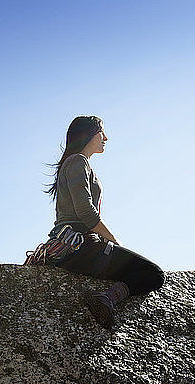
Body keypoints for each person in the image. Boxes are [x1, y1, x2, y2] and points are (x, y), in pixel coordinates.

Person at [25, 115, 165, 329]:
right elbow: (86, 212)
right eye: (102, 132)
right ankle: (106, 298)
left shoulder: (76, 163)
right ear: (88, 134)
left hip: (74, 248)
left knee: (143, 270)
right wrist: (114, 241)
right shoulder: (77, 161)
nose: (106, 138)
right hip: (82, 247)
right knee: (153, 274)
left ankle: (107, 297)